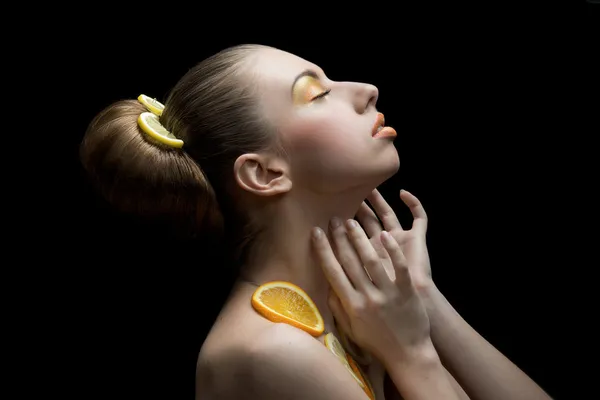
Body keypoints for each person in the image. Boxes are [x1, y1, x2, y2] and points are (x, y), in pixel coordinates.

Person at [79, 44, 552, 399]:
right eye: (317, 93)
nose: (366, 91)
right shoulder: (268, 351)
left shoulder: (361, 316)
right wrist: (413, 355)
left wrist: (424, 300)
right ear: (264, 173)